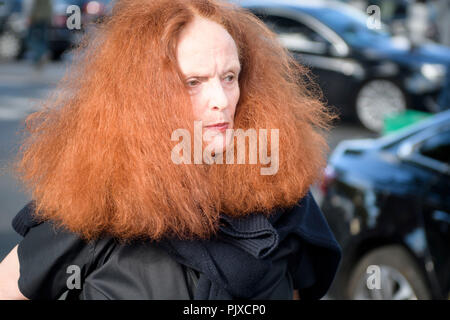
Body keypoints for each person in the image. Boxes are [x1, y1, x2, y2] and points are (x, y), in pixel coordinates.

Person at [0, 0, 341, 300]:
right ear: (144, 99)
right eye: (194, 82)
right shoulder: (94, 206)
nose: (221, 101)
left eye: (229, 77)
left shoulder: (283, 197)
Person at [24, 0, 52, 69]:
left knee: (30, 39)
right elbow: (50, 5)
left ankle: (41, 54)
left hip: (36, 18)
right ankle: (41, 55)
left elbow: (32, 5)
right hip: (45, 17)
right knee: (42, 38)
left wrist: (30, 17)